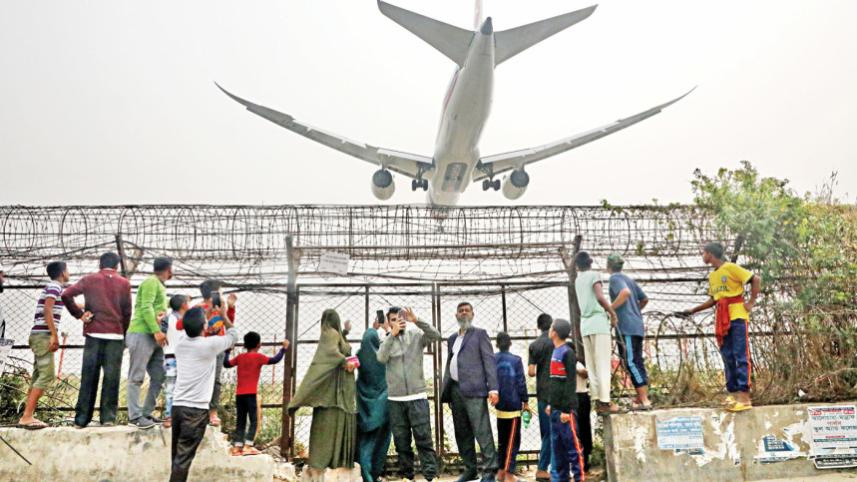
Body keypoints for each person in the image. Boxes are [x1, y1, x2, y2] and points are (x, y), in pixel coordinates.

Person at [680, 242, 761, 412]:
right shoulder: (713, 276)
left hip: (737, 316)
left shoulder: (730, 268)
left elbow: (755, 279)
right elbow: (714, 299)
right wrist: (693, 310)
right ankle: (733, 394)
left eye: (703, 253)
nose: (702, 256)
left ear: (710, 254)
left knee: (740, 355)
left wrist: (751, 302)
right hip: (722, 318)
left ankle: (744, 398)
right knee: (727, 356)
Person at [61, 252, 132, 428]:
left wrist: (79, 315)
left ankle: (82, 419)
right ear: (117, 266)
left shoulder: (89, 279)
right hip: (115, 335)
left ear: (100, 264)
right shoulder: (124, 283)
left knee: (89, 377)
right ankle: (108, 418)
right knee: (111, 378)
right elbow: (127, 312)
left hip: (94, 334)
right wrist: (122, 333)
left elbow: (66, 295)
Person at [170, 306, 238, 482]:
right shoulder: (210, 345)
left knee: (177, 457)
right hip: (196, 410)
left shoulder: (181, 344)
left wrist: (204, 321)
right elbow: (233, 335)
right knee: (183, 460)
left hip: (178, 407)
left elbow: (194, 330)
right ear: (204, 325)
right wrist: (223, 315)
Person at [289, 309, 357, 477]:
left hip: (338, 388)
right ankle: (323, 462)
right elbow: (331, 352)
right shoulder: (330, 333)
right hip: (334, 389)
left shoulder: (332, 334)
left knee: (332, 422)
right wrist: (345, 361)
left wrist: (345, 332)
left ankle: (328, 462)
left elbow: (338, 347)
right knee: (329, 423)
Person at [376, 306, 441, 482]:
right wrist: (391, 335)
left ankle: (430, 476)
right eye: (393, 320)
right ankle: (407, 476)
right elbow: (381, 358)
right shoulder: (386, 341)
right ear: (389, 323)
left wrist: (417, 320)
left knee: (424, 440)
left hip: (417, 397)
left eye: (400, 318)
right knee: (401, 442)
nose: (398, 322)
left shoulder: (416, 335)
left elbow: (436, 335)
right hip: (395, 400)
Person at [441, 301, 499, 482]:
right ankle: (470, 469)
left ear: (472, 314)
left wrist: (493, 388)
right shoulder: (452, 338)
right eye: (461, 311)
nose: (464, 313)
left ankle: (490, 470)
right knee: (462, 432)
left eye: (467, 310)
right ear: (456, 315)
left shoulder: (480, 334)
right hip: (456, 390)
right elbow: (451, 362)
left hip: (475, 390)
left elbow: (489, 361)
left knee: (482, 430)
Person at [18, 261, 69, 429]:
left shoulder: (55, 288)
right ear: (62, 273)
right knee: (47, 375)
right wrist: (54, 335)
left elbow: (69, 304)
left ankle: (27, 415)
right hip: (43, 336)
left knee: (38, 376)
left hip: (39, 335)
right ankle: (26, 416)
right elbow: (48, 309)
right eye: (67, 270)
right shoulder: (54, 286)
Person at [222, 332, 288, 455]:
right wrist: (283, 349)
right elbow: (275, 360)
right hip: (251, 394)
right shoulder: (259, 357)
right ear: (259, 344)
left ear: (245, 344)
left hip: (239, 395)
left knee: (240, 421)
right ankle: (248, 446)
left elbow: (226, 364)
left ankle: (237, 447)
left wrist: (227, 351)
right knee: (254, 420)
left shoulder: (240, 357)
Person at [126, 257, 172, 429]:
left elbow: (156, 310)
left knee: (159, 375)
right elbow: (146, 307)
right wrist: (156, 331)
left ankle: (145, 413)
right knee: (136, 376)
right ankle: (134, 417)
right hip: (142, 333)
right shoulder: (151, 282)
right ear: (168, 269)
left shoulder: (159, 285)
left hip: (154, 336)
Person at [573, 251, 619, 415]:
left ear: (577, 266)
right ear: (590, 263)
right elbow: (599, 297)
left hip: (585, 325)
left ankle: (597, 400)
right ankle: (605, 401)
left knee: (591, 365)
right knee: (603, 363)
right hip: (598, 322)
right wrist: (612, 313)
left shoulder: (578, 280)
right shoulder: (594, 275)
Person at [606, 253, 652, 410]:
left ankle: (644, 399)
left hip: (626, 327)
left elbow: (625, 293)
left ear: (608, 266)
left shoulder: (615, 278)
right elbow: (644, 299)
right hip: (636, 326)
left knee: (631, 362)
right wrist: (634, 311)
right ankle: (641, 397)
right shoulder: (629, 279)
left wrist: (610, 309)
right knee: (636, 361)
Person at [546, 319, 585, 482]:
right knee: (558, 450)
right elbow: (555, 382)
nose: (549, 330)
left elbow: (570, 383)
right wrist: (551, 403)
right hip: (555, 410)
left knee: (573, 448)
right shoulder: (555, 351)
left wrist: (566, 410)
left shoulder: (567, 353)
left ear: (554, 332)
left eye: (551, 328)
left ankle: (579, 477)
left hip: (565, 411)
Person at [356, 315, 392, 482]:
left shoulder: (359, 357)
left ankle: (366, 475)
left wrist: (372, 328)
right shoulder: (382, 357)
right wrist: (386, 330)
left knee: (366, 443)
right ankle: (374, 475)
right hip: (383, 408)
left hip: (365, 411)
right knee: (381, 442)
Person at [197, 279, 236, 426]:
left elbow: (229, 323)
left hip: (218, 348)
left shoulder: (221, 307)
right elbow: (197, 327)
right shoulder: (199, 307)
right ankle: (200, 410)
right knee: (201, 378)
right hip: (204, 347)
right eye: (219, 292)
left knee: (216, 380)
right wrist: (209, 311)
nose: (221, 294)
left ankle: (212, 411)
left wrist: (230, 308)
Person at [494, 332, 529, 482]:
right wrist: (525, 401)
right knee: (513, 441)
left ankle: (500, 472)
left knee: (502, 441)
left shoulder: (493, 359)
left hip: (499, 406)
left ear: (497, 344)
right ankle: (509, 474)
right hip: (513, 406)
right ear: (510, 344)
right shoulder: (516, 360)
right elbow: (520, 382)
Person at [527, 313, 554, 481]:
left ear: (538, 326)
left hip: (542, 392)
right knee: (555, 432)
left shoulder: (534, 345)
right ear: (551, 326)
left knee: (546, 432)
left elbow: (531, 372)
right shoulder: (557, 343)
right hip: (557, 391)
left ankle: (546, 468)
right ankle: (543, 469)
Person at [162, 294, 189, 428]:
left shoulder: (167, 318)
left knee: (171, 387)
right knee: (177, 387)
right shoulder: (184, 320)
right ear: (183, 305)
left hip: (171, 356)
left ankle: (170, 416)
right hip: (178, 356)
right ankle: (173, 416)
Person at [574, 358, 592, 471]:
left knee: (582, 429)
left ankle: (584, 459)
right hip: (574, 397)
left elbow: (584, 374)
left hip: (580, 397)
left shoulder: (577, 364)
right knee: (577, 430)